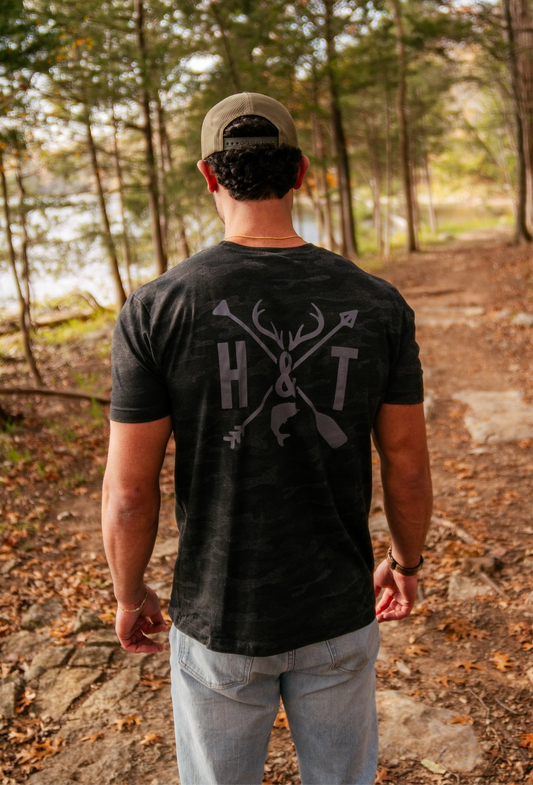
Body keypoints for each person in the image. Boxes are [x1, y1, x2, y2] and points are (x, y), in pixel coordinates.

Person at [102, 92, 432, 785]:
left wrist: (129, 594)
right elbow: (406, 465)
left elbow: (128, 492)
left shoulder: (157, 308)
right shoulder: (377, 303)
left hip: (218, 618)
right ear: (300, 171)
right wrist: (405, 564)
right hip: (338, 611)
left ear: (208, 175)